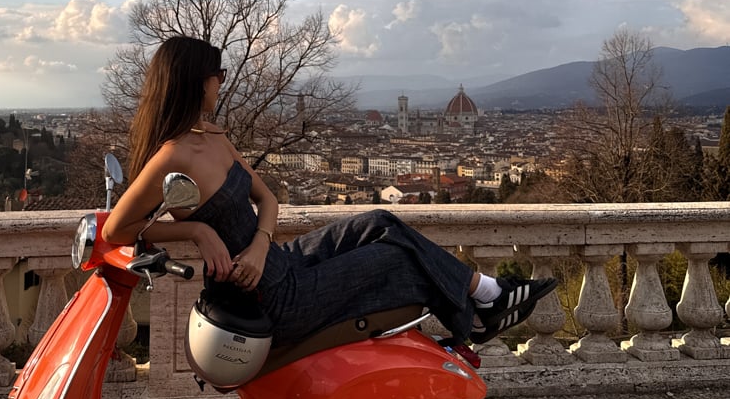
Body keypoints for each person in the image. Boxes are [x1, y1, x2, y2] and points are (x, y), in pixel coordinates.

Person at [102, 36, 556, 348]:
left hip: (278, 263)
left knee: (380, 220)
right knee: (395, 258)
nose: (222, 81)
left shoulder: (216, 136)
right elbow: (118, 230)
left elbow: (268, 200)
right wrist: (198, 230)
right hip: (269, 297)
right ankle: (481, 309)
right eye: (217, 73)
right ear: (196, 80)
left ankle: (485, 295)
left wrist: (260, 245)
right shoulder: (172, 156)